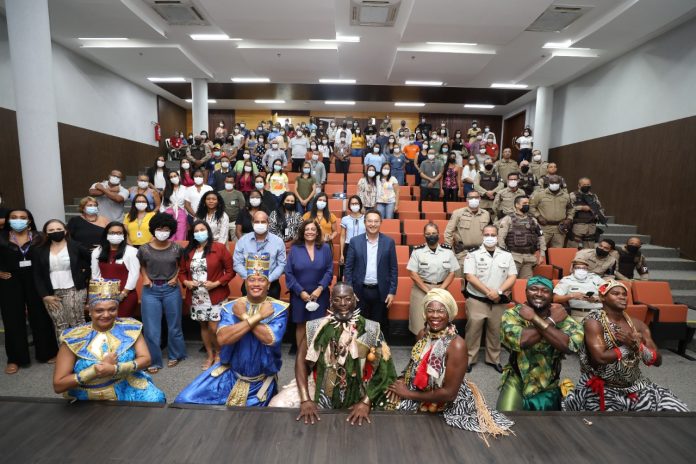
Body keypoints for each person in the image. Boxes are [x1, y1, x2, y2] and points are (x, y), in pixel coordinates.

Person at [387, 289, 513, 437]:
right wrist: (403, 379)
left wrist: (408, 394)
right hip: (422, 390)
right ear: (424, 313)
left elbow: (449, 394)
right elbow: (415, 364)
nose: (435, 315)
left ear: (449, 314)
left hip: (447, 401)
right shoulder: (422, 334)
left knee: (440, 437)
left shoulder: (456, 345)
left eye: (441, 311)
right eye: (430, 310)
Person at [270, 283, 396, 426]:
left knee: (394, 412)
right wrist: (305, 399)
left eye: (348, 299)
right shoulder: (316, 327)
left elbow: (384, 369)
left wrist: (366, 402)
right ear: (331, 302)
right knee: (277, 404)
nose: (343, 304)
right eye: (337, 299)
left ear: (355, 299)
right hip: (320, 386)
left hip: (359, 389)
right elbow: (301, 361)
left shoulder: (370, 329)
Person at [175, 253, 289, 406]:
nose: (256, 284)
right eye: (252, 280)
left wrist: (243, 316)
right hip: (229, 374)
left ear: (268, 285)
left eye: (261, 280)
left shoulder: (278, 309)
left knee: (243, 421)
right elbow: (222, 339)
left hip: (259, 382)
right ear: (245, 283)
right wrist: (256, 316)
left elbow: (270, 339)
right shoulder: (232, 307)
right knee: (184, 399)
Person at [562, 280, 688, 412]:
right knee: (613, 427)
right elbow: (600, 358)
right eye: (615, 293)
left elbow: (657, 361)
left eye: (624, 294)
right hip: (603, 387)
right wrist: (627, 347)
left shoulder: (638, 325)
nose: (622, 297)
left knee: (679, 410)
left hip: (635, 386)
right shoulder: (593, 322)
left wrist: (638, 347)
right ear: (603, 297)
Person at [52, 279, 165, 402]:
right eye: (99, 310)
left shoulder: (130, 328)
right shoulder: (73, 337)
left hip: (125, 386)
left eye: (112, 309)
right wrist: (94, 371)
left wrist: (115, 369)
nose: (106, 315)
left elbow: (146, 359)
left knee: (156, 399)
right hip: (87, 396)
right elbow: (58, 385)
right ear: (89, 310)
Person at [497, 277, 584, 411]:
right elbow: (522, 341)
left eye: (545, 291)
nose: (539, 294)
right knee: (505, 421)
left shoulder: (561, 315)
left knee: (547, 429)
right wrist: (551, 321)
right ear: (526, 291)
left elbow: (568, 346)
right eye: (534, 289)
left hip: (548, 384)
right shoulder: (513, 313)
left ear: (551, 295)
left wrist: (535, 319)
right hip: (517, 380)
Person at [0, 209, 58, 374]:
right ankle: (15, 359)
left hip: (36, 281)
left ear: (29, 221)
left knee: (40, 316)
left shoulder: (40, 237)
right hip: (9, 282)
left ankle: (47, 353)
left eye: (22, 218)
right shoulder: (2, 237)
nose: (18, 220)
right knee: (13, 319)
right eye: (14, 218)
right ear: (8, 221)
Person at [180, 220, 234, 370]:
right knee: (203, 326)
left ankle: (219, 353)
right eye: (196, 231)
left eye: (202, 229)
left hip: (216, 294)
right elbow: (182, 273)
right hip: (196, 296)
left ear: (208, 231)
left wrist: (216, 283)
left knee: (213, 326)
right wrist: (186, 283)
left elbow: (231, 271)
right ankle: (210, 355)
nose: (199, 233)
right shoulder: (188, 251)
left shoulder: (219, 248)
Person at [137, 213, 187, 373]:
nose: (162, 231)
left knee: (174, 325)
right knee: (151, 328)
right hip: (150, 290)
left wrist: (175, 277)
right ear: (153, 230)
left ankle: (176, 354)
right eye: (159, 228)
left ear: (171, 230)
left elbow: (181, 265)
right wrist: (145, 277)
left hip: (171, 289)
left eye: (166, 229)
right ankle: (154, 360)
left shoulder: (177, 248)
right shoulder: (144, 249)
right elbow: (142, 265)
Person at [463, 225, 517, 373]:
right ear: (482, 236)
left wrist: (498, 292)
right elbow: (470, 276)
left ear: (497, 236)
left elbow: (512, 276)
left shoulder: (506, 255)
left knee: (496, 331)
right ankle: (469, 359)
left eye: (493, 234)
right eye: (487, 234)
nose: (490, 237)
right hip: (477, 300)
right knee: (473, 331)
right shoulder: (472, 254)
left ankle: (494, 359)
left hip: (498, 301)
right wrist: (489, 292)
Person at [32, 219, 91, 339]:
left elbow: (90, 264)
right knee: (60, 324)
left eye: (59, 229)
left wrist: (83, 276)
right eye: (51, 230)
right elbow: (37, 274)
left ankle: (82, 355)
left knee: (76, 322)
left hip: (74, 289)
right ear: (46, 233)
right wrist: (45, 295)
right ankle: (65, 356)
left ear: (65, 231)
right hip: (51, 293)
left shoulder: (77, 246)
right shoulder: (39, 250)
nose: (56, 232)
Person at [344, 210, 398, 338]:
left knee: (378, 328)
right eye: (369, 221)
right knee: (359, 327)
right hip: (359, 291)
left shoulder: (389, 242)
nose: (372, 224)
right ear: (364, 223)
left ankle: (378, 355)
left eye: (376, 221)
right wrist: (350, 290)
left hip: (381, 292)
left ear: (380, 223)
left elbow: (393, 269)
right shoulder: (355, 241)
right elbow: (348, 268)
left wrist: (392, 292)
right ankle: (358, 356)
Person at [285, 220, 333, 350]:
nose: (310, 232)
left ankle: (316, 355)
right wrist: (300, 291)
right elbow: (288, 273)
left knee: (318, 324)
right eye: (307, 229)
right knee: (301, 325)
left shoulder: (325, 248)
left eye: (313, 229)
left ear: (317, 232)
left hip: (320, 294)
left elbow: (329, 270)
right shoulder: (295, 249)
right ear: (302, 232)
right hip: (299, 295)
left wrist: (320, 288)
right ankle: (301, 355)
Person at [407, 223, 459, 335]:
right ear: (424, 235)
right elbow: (413, 274)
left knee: (441, 321)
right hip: (421, 290)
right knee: (419, 324)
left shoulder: (448, 251)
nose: (431, 236)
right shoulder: (417, 251)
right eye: (428, 234)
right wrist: (428, 290)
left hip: (442, 289)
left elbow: (452, 273)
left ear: (438, 234)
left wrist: (440, 290)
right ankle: (420, 351)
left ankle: (440, 350)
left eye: (434, 233)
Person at [90, 222, 140, 317]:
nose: (116, 235)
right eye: (112, 233)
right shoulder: (97, 251)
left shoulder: (131, 251)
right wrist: (98, 296)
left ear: (124, 235)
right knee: (106, 325)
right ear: (106, 235)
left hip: (125, 296)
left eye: (119, 233)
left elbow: (134, 274)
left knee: (122, 325)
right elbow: (95, 275)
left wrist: (123, 294)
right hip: (103, 296)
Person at [233, 211, 286, 299]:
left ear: (268, 223)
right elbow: (237, 263)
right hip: (248, 285)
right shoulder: (243, 240)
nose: (260, 224)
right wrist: (251, 279)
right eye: (257, 222)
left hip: (272, 285)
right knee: (248, 312)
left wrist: (269, 279)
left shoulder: (278, 241)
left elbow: (282, 264)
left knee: (271, 311)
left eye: (263, 222)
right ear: (252, 223)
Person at [498, 196, 545, 279]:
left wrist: (542, 254)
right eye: (524, 203)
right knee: (509, 283)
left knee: (526, 283)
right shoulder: (508, 219)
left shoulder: (533, 220)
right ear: (517, 205)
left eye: (528, 203)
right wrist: (505, 255)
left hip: (529, 258)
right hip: (513, 257)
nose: (527, 205)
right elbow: (500, 238)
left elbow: (541, 236)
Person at [444, 191, 491, 274]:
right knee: (459, 282)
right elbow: (448, 233)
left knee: (478, 282)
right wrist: (450, 251)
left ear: (480, 199)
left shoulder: (486, 214)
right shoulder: (458, 213)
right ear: (467, 200)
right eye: (471, 198)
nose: (474, 200)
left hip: (480, 253)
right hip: (462, 253)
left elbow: (489, 233)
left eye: (476, 198)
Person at [529, 174, 573, 248]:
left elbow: (571, 209)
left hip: (559, 229)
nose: (554, 184)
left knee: (557, 252)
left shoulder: (566, 196)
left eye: (556, 183)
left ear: (560, 183)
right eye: (552, 183)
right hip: (544, 227)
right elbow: (531, 207)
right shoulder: (540, 195)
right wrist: (538, 216)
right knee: (539, 249)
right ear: (548, 183)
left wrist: (569, 218)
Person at [568, 177, 606, 249]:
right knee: (572, 247)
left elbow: (599, 207)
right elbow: (568, 208)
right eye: (584, 184)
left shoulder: (593, 196)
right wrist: (581, 208)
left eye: (588, 184)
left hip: (591, 225)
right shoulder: (573, 195)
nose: (586, 186)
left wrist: (600, 215)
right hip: (578, 225)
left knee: (589, 249)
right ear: (579, 185)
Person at [339, 195, 365, 273]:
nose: (354, 205)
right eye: (352, 204)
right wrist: (341, 254)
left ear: (360, 205)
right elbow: (342, 236)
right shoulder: (345, 219)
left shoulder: (366, 218)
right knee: (348, 271)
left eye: (356, 203)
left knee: (361, 270)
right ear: (349, 206)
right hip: (349, 246)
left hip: (362, 246)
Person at [160, 171, 188, 241]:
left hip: (181, 214)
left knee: (181, 235)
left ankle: (179, 251)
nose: (173, 178)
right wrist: (163, 215)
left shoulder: (185, 189)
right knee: (169, 235)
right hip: (169, 214)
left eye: (175, 176)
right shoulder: (166, 189)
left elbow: (187, 204)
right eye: (171, 177)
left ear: (179, 177)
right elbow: (163, 204)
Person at [218, 174, 246, 242]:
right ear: (224, 182)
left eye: (230, 182)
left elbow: (243, 207)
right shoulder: (219, 193)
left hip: (235, 222)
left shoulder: (238, 193)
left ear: (234, 183)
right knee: (223, 242)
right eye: (227, 182)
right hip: (222, 222)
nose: (229, 183)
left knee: (236, 242)